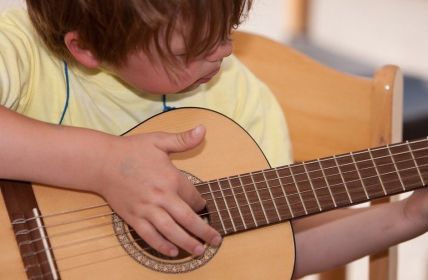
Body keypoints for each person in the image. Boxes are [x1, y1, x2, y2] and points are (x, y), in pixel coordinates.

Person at [0, 1, 426, 278]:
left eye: (229, 27)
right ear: (87, 47)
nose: (222, 51)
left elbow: (270, 251)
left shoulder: (242, 104)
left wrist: (407, 217)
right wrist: (105, 165)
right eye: (190, 50)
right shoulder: (21, 48)